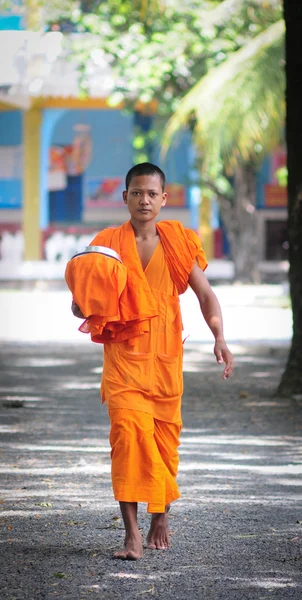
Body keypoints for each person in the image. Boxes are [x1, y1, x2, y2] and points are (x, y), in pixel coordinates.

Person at [69, 162, 234, 561]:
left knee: (163, 446)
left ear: (164, 199)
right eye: (136, 193)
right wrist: (89, 303)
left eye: (151, 194)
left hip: (164, 362)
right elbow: (79, 307)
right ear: (125, 197)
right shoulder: (106, 244)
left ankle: (160, 513)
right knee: (127, 439)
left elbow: (206, 294)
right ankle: (131, 535)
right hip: (124, 361)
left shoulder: (178, 241)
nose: (144, 200)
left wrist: (220, 337)